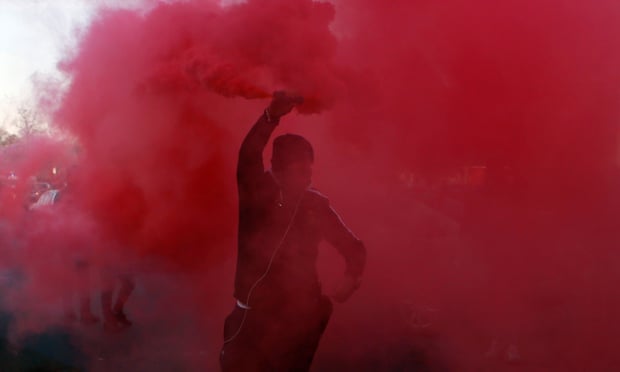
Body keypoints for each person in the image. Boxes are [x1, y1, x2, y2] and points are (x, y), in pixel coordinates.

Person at [220, 91, 366, 371]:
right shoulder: (257, 192)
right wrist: (271, 116)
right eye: (300, 171)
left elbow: (354, 247)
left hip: (299, 321)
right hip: (253, 320)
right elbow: (248, 154)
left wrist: (352, 277)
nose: (308, 179)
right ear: (278, 171)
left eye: (310, 172)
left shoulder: (315, 205)